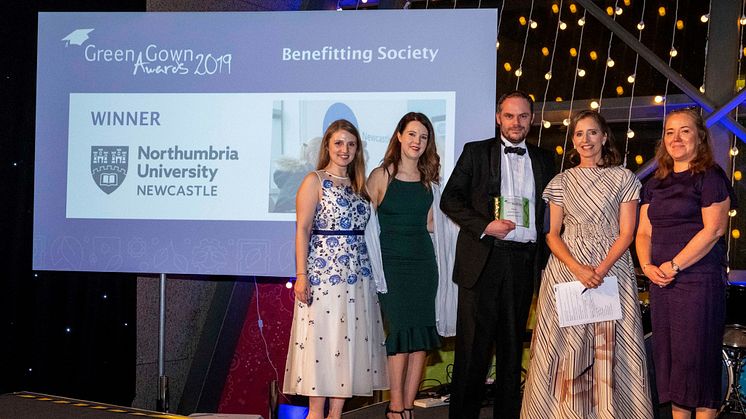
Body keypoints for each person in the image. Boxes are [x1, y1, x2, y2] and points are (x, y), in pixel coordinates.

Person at [520, 110, 653, 418]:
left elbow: (627, 232)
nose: (585, 140)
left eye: (592, 133)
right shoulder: (560, 181)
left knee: (610, 343)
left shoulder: (624, 177)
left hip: (612, 266)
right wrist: (579, 269)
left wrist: (601, 270)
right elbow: (552, 234)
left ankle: (610, 411)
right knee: (566, 345)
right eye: (579, 134)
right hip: (567, 269)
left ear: (604, 137)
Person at [440, 90, 555, 419]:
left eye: (522, 116)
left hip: (523, 263)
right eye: (509, 115)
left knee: (511, 351)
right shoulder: (475, 153)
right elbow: (450, 200)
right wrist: (486, 225)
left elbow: (552, 213)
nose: (516, 122)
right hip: (483, 260)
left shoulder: (545, 159)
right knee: (473, 352)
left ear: (531, 120)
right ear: (498, 118)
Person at [283, 119, 388, 419]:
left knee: (348, 348)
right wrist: (301, 276)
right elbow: (302, 230)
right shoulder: (313, 181)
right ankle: (316, 414)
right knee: (323, 348)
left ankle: (336, 414)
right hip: (322, 280)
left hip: (358, 281)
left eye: (351, 144)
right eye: (339, 143)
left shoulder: (361, 186)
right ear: (328, 145)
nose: (345, 149)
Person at [636, 108, 735, 419]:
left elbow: (714, 230)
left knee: (698, 362)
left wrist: (674, 265)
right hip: (663, 282)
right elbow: (642, 231)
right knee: (672, 363)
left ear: (699, 138)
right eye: (669, 132)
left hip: (698, 281)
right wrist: (648, 267)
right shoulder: (654, 182)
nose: (676, 138)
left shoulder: (711, 177)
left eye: (685, 131)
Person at [365, 112, 458, 419]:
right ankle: (394, 408)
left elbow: (434, 224)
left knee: (421, 337)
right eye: (412, 134)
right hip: (391, 266)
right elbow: (365, 224)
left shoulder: (431, 180)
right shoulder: (381, 176)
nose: (417, 141)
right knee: (400, 334)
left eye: (424, 136)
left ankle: (408, 407)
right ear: (399, 136)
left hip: (423, 265)